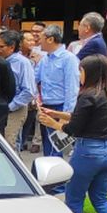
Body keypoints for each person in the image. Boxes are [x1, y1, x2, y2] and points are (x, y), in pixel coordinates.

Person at [38, 55, 107, 213]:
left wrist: (53, 123)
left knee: (74, 197)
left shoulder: (87, 95)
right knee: (101, 198)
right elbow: (86, 117)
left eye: (81, 70)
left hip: (88, 152)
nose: (79, 74)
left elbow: (75, 128)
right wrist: (57, 114)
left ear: (90, 72)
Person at [35, 25, 81, 162]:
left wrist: (66, 114)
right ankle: (50, 180)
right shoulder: (45, 59)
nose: (39, 42)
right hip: (46, 106)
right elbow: (34, 79)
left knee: (56, 149)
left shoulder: (69, 59)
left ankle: (57, 182)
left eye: (41, 38)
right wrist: (36, 97)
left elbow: (72, 88)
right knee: (48, 147)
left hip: (60, 107)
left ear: (50, 39)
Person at [0, 30, 37, 148]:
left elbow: (29, 91)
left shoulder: (22, 63)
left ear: (12, 47)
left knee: (8, 144)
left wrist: (10, 107)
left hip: (15, 108)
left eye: (1, 47)